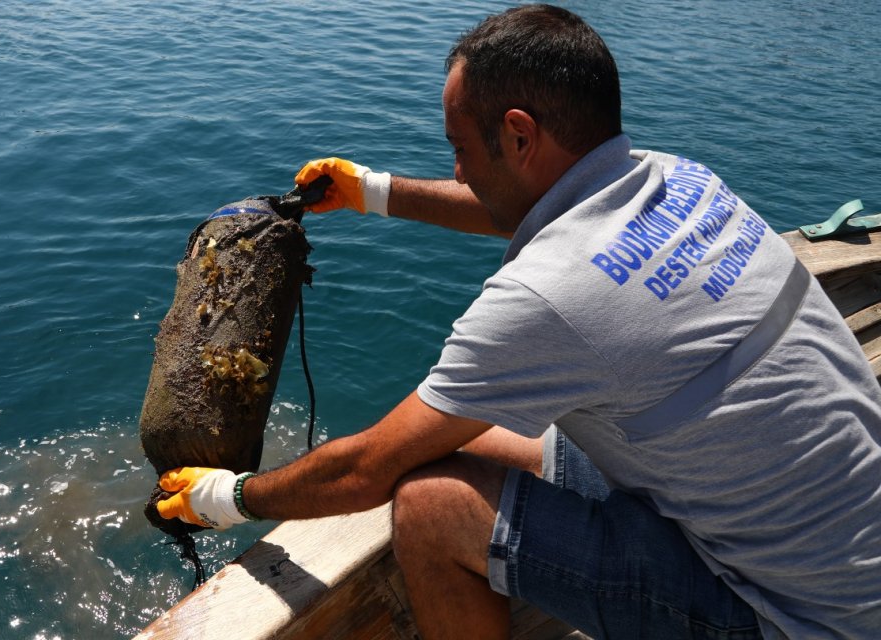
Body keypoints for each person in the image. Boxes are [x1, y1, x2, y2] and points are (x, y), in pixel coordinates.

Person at [155, 5, 881, 639]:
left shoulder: (546, 300)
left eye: (461, 151)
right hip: (846, 555)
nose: (460, 171)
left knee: (430, 503)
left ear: (520, 134)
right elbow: (530, 213)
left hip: (791, 619)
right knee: (506, 433)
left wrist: (227, 497)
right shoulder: (679, 180)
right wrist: (371, 192)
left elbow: (365, 467)